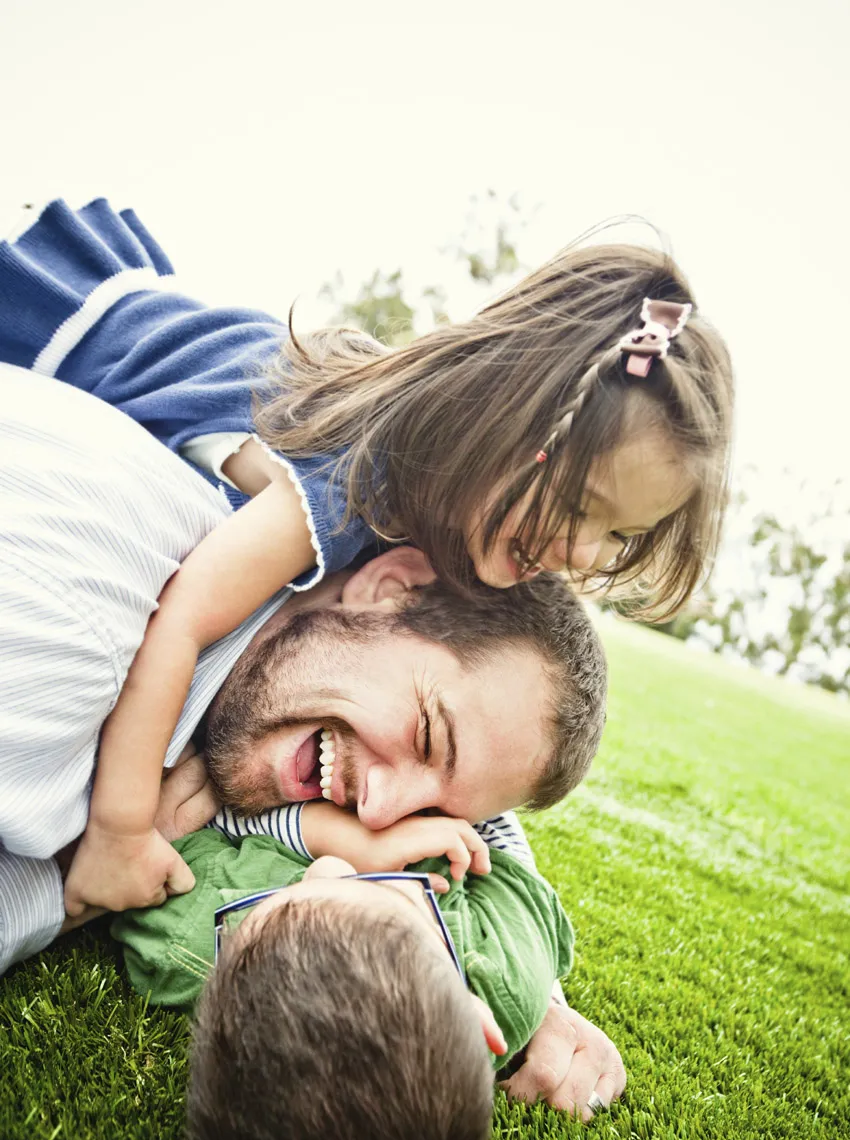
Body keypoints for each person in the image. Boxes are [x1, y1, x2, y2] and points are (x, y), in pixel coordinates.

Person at [0, 199, 735, 922]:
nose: (579, 554)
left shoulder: (452, 531)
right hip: (57, 321)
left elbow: (481, 748)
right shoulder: (357, 477)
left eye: (619, 535)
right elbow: (187, 618)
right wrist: (121, 828)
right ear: (507, 416)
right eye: (578, 506)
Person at [0, 363, 620, 1124]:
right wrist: (78, 874)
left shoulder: (283, 650)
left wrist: (518, 986)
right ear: (388, 586)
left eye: (431, 804)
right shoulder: (71, 648)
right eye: (426, 734)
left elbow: (483, 818)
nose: (380, 806)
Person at [109, 825, 580, 1140]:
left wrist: (325, 831)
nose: (332, 868)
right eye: (384, 896)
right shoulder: (506, 980)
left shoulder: (185, 941)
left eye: (288, 897)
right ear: (481, 1021)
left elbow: (167, 835)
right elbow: (519, 882)